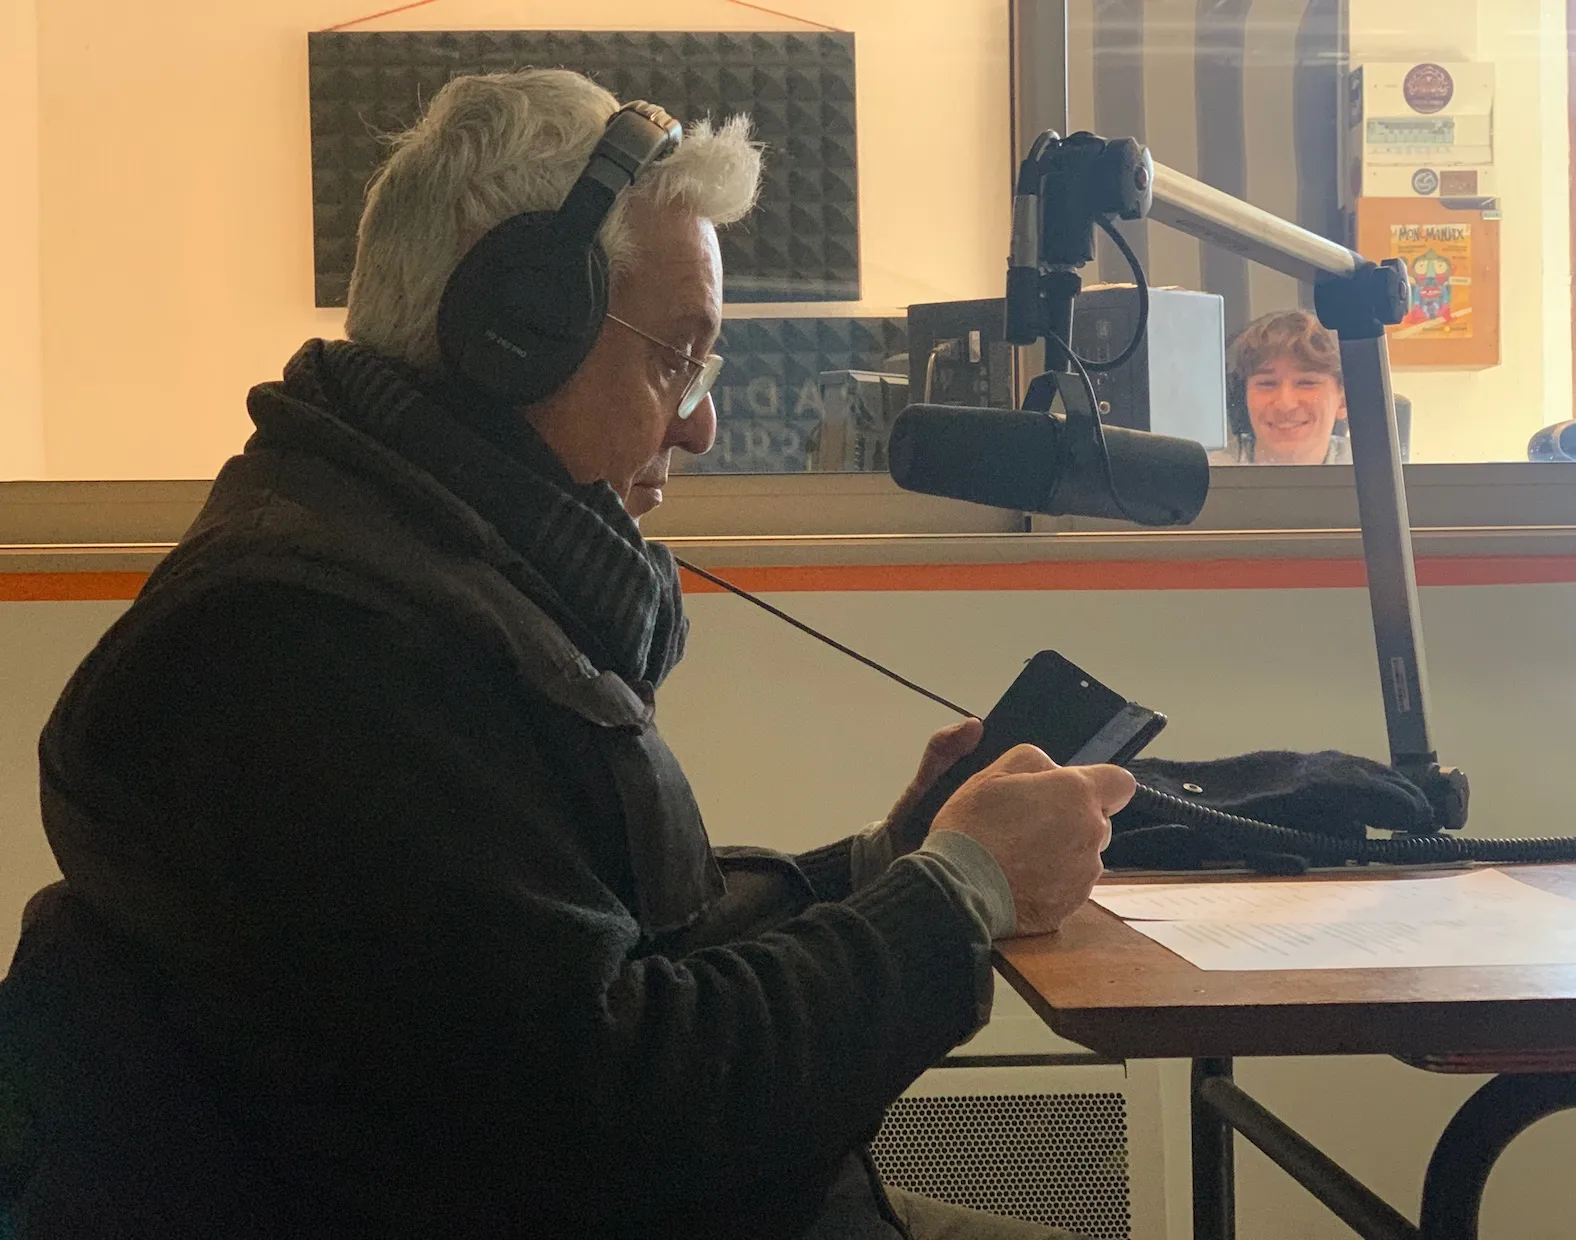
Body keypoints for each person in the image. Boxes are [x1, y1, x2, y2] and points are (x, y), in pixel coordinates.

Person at [1, 71, 1138, 1239]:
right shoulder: (315, 647)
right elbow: (622, 1111)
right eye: (675, 357)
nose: (699, 423)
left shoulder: (408, 573)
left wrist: (885, 863)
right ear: (516, 331)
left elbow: (593, 961)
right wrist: (958, 894)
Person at [1210, 309, 1351, 465]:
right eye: (1267, 383)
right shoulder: (1205, 471)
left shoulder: (1370, 467)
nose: (1285, 404)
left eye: (1306, 383)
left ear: (1343, 401)